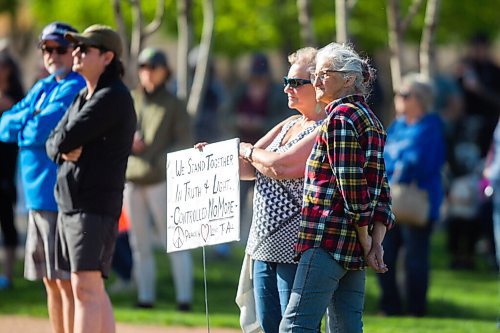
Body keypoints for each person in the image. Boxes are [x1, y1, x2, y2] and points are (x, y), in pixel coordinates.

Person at [279, 42, 394, 333]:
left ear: (349, 79)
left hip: (327, 240)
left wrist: (369, 242)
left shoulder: (340, 118)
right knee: (346, 327)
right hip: (354, 246)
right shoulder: (372, 120)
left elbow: (352, 189)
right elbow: (380, 189)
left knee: (294, 326)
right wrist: (372, 242)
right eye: (315, 74)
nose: (315, 81)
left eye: (323, 74)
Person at [45, 25, 136, 333]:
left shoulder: (112, 96)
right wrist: (63, 147)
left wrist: (64, 145)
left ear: (108, 57)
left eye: (85, 49)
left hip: (93, 205)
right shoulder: (84, 94)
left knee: (85, 288)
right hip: (74, 203)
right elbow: (53, 143)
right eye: (77, 48)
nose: (76, 53)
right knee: (88, 287)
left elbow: (63, 139)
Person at [229, 47, 325, 333]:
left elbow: (281, 166)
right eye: (286, 80)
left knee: (295, 327)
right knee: (268, 326)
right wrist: (215, 157)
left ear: (318, 84)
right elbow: (247, 169)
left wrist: (245, 149)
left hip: (296, 245)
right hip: (262, 244)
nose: (287, 88)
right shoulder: (289, 124)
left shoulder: (324, 127)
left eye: (296, 82)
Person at [0, 22, 85, 333]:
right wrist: (27, 121)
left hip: (58, 196)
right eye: (47, 49)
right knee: (50, 282)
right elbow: (3, 127)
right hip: (37, 198)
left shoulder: (75, 85)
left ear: (74, 51)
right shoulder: (42, 87)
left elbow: (41, 128)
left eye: (60, 48)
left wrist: (24, 122)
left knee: (65, 282)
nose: (52, 55)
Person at [124, 47, 193, 310]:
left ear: (165, 71)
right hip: (133, 180)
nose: (147, 72)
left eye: (153, 66)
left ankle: (184, 299)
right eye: (143, 66)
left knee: (174, 241)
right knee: (138, 244)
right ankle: (145, 297)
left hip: (162, 182)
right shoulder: (131, 98)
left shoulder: (175, 104)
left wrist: (159, 160)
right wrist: (128, 141)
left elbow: (184, 141)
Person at [377, 73, 446, 317]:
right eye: (398, 93)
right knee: (385, 254)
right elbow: (383, 156)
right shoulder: (398, 125)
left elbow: (423, 161)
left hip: (418, 202)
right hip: (391, 201)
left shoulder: (432, 125)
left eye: (405, 94)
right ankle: (390, 305)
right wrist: (397, 162)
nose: (399, 98)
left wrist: (398, 164)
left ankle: (417, 309)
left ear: (421, 99)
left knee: (416, 259)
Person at [0, 51, 24, 290]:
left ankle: (7, 275)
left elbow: (13, 114)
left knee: (7, 223)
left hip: (7, 171)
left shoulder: (17, 95)